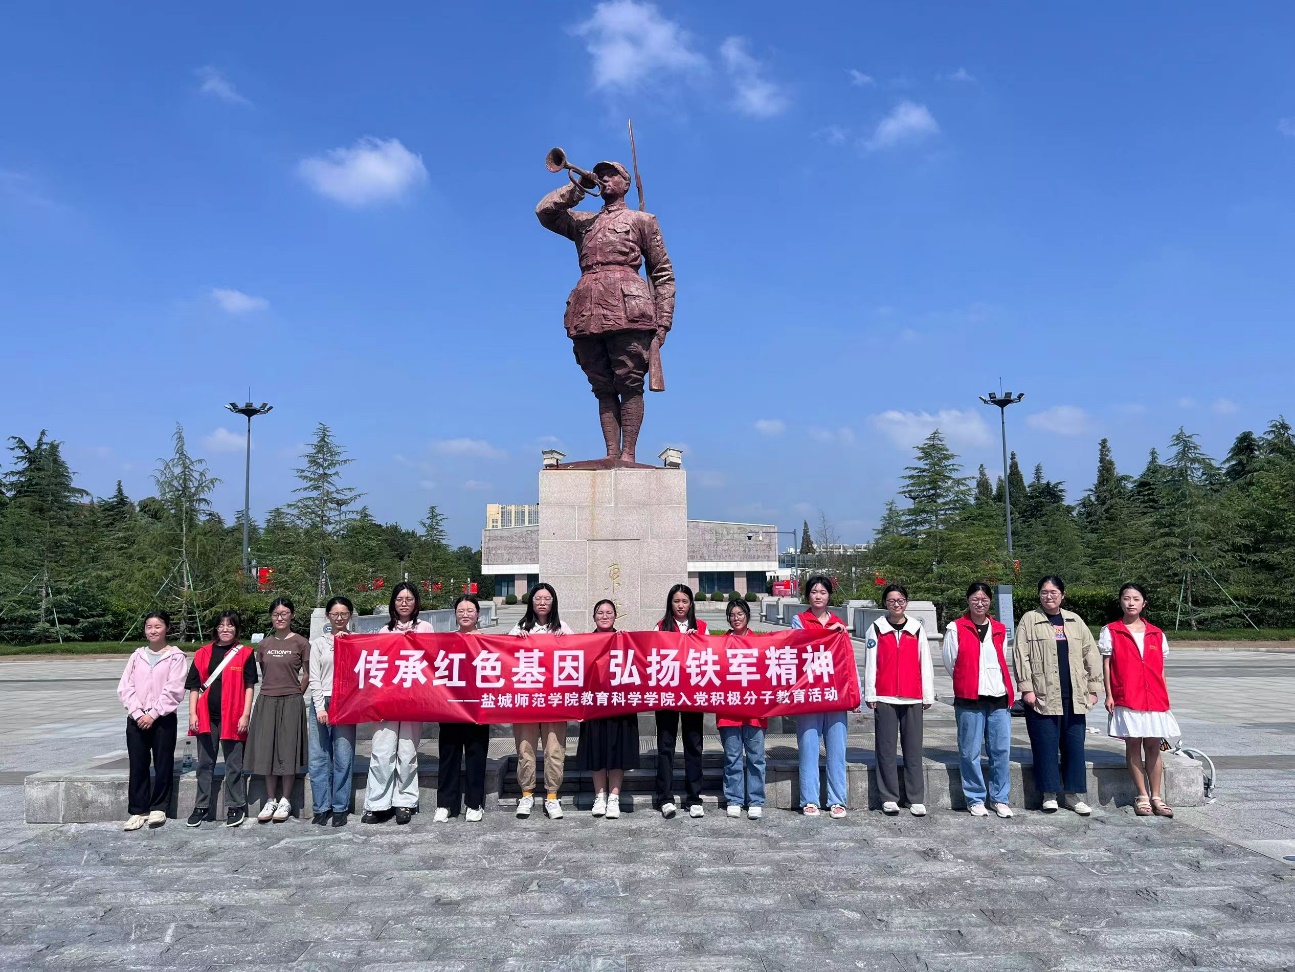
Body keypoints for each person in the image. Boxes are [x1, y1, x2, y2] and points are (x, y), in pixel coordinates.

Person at [536, 156, 675, 463]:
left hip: (630, 309)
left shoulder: (642, 220)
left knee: (630, 381)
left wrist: (663, 321)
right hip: (586, 309)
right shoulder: (583, 222)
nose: (605, 179)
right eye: (601, 175)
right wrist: (578, 188)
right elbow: (545, 212)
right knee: (601, 384)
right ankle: (611, 452)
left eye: (612, 175)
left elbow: (662, 273)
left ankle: (628, 453)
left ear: (626, 184)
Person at [1014, 576, 1103, 816]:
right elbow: (1020, 654)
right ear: (1039, 595)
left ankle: (1073, 795)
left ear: (1062, 595)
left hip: (1074, 695)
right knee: (1045, 746)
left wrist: (1094, 688)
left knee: (1074, 746)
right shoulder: (1029, 620)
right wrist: (1026, 689)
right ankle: (1049, 794)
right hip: (1042, 695)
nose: (1049, 596)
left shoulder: (1075, 620)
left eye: (1054, 592)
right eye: (1044, 592)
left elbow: (1091, 654)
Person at [1100, 583, 1181, 818]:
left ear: (1144, 603)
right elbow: (1107, 665)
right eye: (1126, 598)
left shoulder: (1156, 633)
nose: (1131, 603)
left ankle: (1157, 796)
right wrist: (1109, 694)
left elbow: (1160, 669)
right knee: (1133, 744)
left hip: (1154, 697)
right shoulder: (1111, 631)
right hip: (1128, 696)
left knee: (1154, 746)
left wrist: (1165, 694)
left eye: (1136, 599)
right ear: (1121, 602)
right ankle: (1142, 795)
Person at [363, 582, 434, 825]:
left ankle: (405, 801)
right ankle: (377, 803)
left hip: (414, 699)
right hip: (387, 700)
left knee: (407, 751)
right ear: (393, 602)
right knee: (382, 751)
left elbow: (433, 660)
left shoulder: (425, 628)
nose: (404, 603)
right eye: (400, 599)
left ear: (416, 603)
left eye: (409, 599)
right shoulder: (385, 631)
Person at [942, 582, 1015, 818]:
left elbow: (1002, 658)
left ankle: (1000, 798)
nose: (980, 603)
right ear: (968, 600)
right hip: (969, 697)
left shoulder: (999, 629)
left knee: (1000, 751)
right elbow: (951, 662)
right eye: (975, 599)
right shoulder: (956, 628)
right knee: (970, 751)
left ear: (990, 601)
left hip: (998, 697)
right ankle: (975, 798)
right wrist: (968, 679)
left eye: (984, 599)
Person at [864, 584, 933, 817]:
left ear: (906, 602)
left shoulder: (916, 628)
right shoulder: (877, 628)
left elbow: (925, 661)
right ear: (885, 603)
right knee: (885, 749)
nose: (897, 604)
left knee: (913, 749)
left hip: (912, 696)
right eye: (892, 600)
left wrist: (927, 694)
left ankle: (915, 798)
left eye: (901, 600)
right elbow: (870, 662)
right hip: (884, 696)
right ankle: (889, 797)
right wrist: (870, 693)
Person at [185, 610, 257, 828]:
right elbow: (194, 687)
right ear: (215, 629)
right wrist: (192, 713)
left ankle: (235, 806)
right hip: (206, 716)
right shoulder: (202, 653)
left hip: (234, 717)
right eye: (221, 625)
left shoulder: (245, 653)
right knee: (204, 763)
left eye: (230, 625)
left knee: (234, 764)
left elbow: (249, 686)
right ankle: (201, 806)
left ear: (237, 628)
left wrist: (246, 715)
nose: (225, 629)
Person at [509, 583, 575, 819]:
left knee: (554, 750)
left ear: (553, 601)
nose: (542, 602)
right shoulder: (520, 627)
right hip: (526, 702)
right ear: (531, 602)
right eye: (538, 598)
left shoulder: (563, 627)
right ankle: (526, 794)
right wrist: (516, 640)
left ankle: (552, 796)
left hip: (555, 702)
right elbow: (504, 656)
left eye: (547, 598)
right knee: (525, 750)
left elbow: (578, 656)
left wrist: (565, 641)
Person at [117, 611, 187, 831]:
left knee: (163, 763)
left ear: (167, 628)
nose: (153, 631)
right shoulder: (137, 655)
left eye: (158, 626)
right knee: (138, 764)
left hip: (163, 718)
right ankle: (138, 810)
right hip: (136, 719)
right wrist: (138, 713)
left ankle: (159, 807)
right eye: (149, 627)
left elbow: (174, 689)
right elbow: (125, 687)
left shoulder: (176, 656)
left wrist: (154, 714)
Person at [246, 597, 310, 823]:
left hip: (291, 700)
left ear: (292, 615)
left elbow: (307, 674)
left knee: (287, 749)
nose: (280, 618)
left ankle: (285, 799)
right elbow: (264, 671)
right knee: (268, 749)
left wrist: (296, 694)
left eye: (284, 613)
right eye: (276, 614)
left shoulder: (301, 643)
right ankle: (270, 799)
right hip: (267, 700)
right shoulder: (264, 644)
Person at [793, 575, 852, 818]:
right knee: (808, 747)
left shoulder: (840, 624)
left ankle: (837, 800)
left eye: (823, 592)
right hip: (809, 693)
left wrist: (853, 694)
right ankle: (810, 799)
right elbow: (800, 647)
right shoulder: (799, 620)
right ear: (807, 595)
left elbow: (847, 660)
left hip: (835, 693)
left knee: (837, 749)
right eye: (814, 591)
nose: (818, 596)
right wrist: (829, 634)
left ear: (829, 596)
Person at [576, 599, 639, 819]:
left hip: (619, 705)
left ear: (615, 616)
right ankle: (600, 796)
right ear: (594, 617)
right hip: (593, 705)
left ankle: (614, 798)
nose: (604, 616)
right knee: (597, 751)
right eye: (600, 613)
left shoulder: (623, 640)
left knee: (617, 751)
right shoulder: (585, 642)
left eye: (609, 612)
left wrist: (627, 641)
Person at [654, 583, 708, 819]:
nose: (680, 605)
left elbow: (711, 657)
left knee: (694, 745)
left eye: (685, 601)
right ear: (670, 603)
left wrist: (698, 641)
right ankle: (665, 797)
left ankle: (694, 797)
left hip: (693, 694)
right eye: (676, 601)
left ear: (691, 604)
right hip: (667, 694)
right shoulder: (660, 627)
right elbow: (652, 656)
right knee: (666, 746)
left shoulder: (702, 627)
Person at [435, 594, 491, 824]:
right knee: (449, 755)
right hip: (451, 707)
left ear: (478, 614)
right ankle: (445, 804)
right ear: (455, 615)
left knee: (476, 756)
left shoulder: (488, 640)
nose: (465, 614)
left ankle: (474, 804)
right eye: (461, 611)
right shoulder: (447, 640)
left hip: (478, 707)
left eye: (470, 611)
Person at [307, 596, 358, 827]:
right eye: (335, 614)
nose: (339, 618)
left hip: (346, 702)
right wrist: (320, 707)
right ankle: (321, 807)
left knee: (343, 755)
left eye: (344, 614)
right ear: (328, 616)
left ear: (350, 616)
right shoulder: (318, 644)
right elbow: (314, 678)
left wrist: (348, 644)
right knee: (319, 756)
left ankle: (340, 807)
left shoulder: (356, 642)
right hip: (323, 700)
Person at [717, 599, 765, 820]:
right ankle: (734, 799)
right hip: (728, 711)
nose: (736, 618)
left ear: (747, 616)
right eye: (732, 615)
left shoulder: (761, 643)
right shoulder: (719, 644)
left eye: (740, 614)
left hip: (755, 710)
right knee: (732, 756)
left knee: (756, 757)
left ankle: (755, 800)